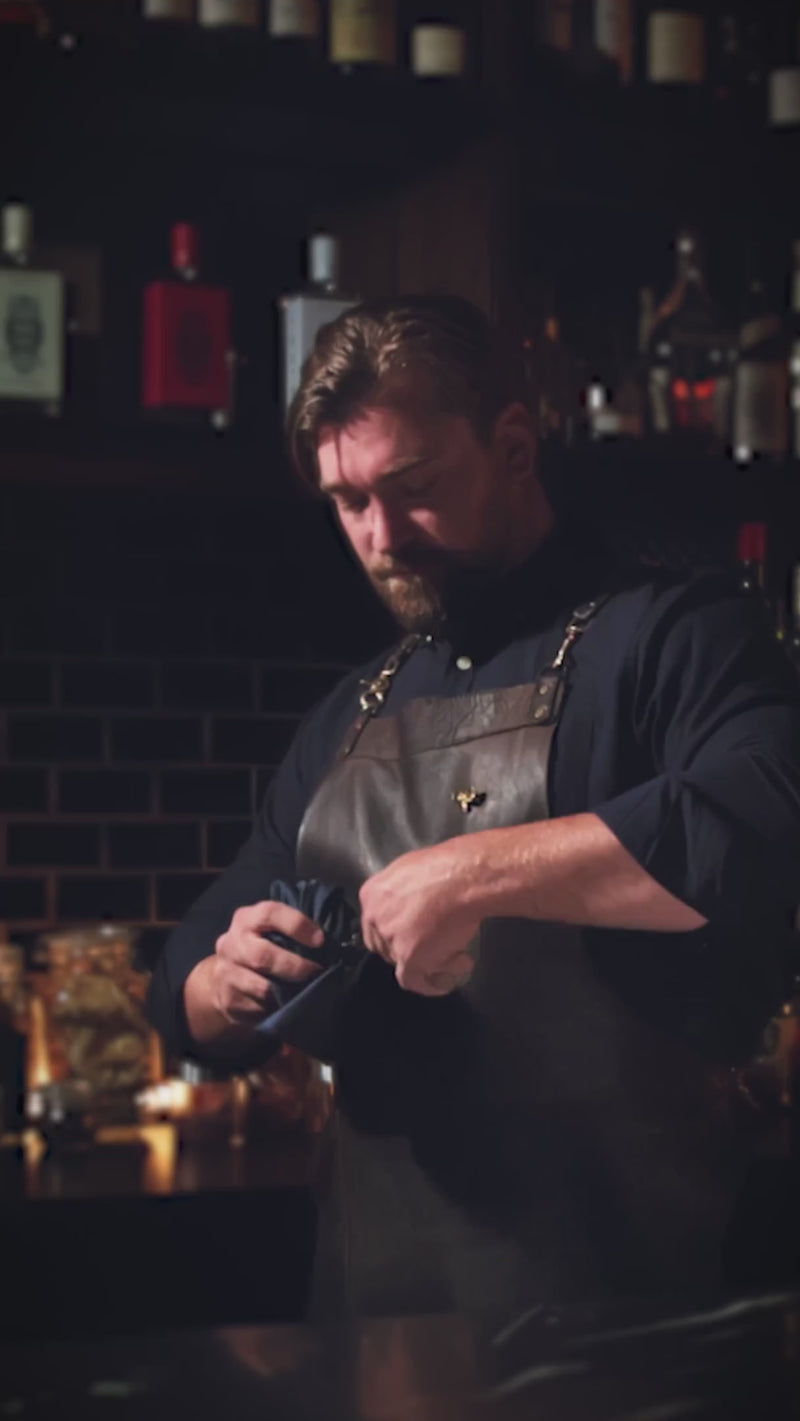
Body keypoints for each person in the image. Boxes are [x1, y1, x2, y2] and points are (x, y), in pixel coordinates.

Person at [147, 295, 800, 1319]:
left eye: (411, 488)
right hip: (384, 1319)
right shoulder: (351, 709)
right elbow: (185, 961)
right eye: (346, 500)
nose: (379, 536)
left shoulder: (671, 636)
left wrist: (474, 872)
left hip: (637, 1309)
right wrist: (225, 983)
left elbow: (763, 816)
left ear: (510, 444)